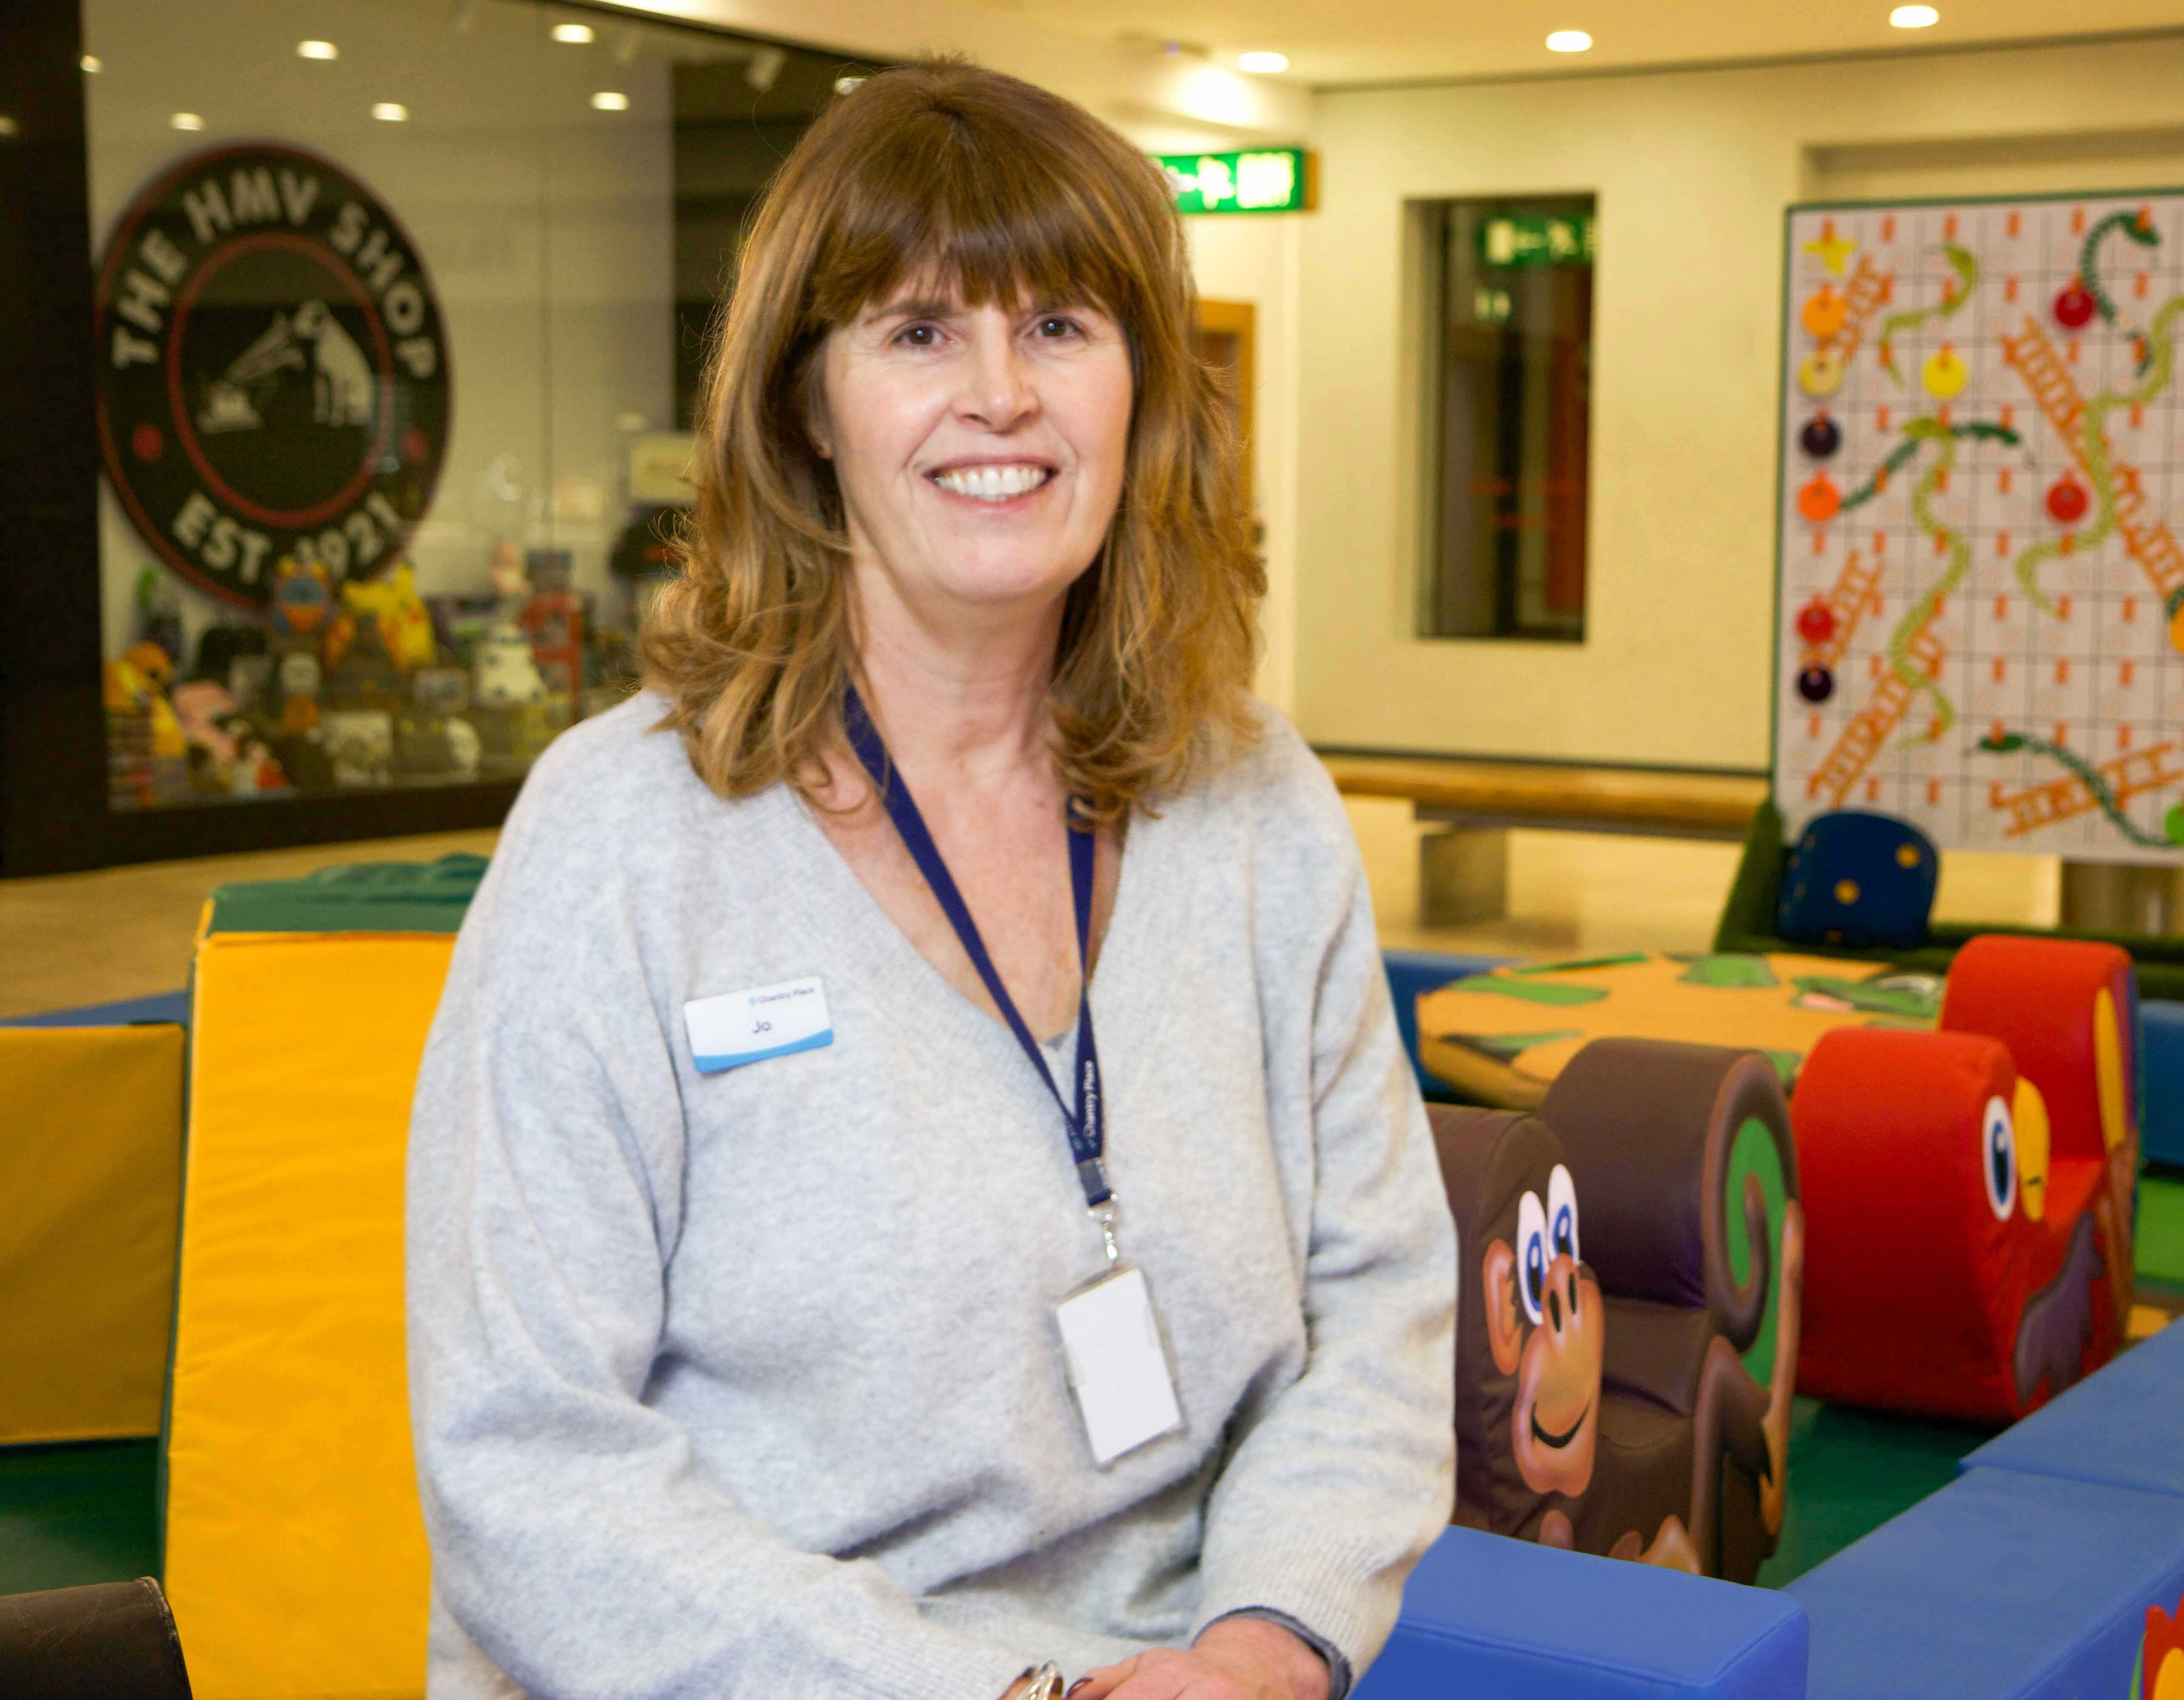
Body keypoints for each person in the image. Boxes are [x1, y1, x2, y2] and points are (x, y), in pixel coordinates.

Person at [405, 57, 1457, 1700]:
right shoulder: (624, 843)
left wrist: (1263, 1650)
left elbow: (1380, 1301)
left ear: (1141, 390)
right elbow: (524, 1461)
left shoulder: (1256, 807)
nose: (1001, 396)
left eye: (1059, 327)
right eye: (917, 332)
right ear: (809, 408)